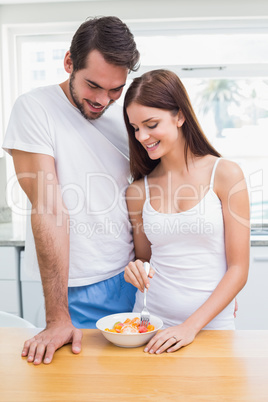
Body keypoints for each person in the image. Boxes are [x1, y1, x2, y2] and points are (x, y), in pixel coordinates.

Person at [2, 16, 140, 364]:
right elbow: (49, 208)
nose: (102, 99)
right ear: (68, 63)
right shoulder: (35, 108)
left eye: (115, 89)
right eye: (93, 85)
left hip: (134, 279)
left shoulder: (124, 115)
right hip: (79, 286)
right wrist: (57, 317)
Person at [123, 69, 250, 354]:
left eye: (151, 124)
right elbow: (146, 259)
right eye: (134, 128)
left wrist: (189, 327)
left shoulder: (225, 174)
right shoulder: (138, 191)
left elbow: (239, 269)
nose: (142, 136)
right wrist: (136, 269)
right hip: (150, 323)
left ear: (179, 116)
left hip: (210, 327)